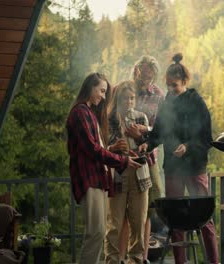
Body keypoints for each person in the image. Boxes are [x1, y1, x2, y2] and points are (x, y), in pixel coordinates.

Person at [139, 53, 219, 264]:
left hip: (195, 167)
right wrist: (149, 143)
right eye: (168, 86)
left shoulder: (197, 102)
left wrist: (189, 146)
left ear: (184, 82)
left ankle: (214, 262)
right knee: (174, 220)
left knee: (204, 218)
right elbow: (158, 133)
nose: (171, 90)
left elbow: (206, 138)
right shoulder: (167, 103)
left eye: (174, 85)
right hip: (173, 169)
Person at [66, 73, 141, 264]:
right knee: (95, 233)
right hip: (88, 179)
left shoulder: (89, 112)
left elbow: (96, 148)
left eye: (105, 92)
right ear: (90, 88)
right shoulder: (80, 113)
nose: (102, 95)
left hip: (97, 179)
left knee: (98, 232)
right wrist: (121, 161)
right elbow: (92, 149)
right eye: (101, 90)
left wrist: (117, 154)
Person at [119, 55, 166, 263]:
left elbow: (162, 128)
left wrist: (144, 131)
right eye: (143, 73)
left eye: (150, 75)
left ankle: (142, 256)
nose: (145, 78)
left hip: (149, 156)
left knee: (150, 205)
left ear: (154, 75)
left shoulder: (158, 95)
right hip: (123, 154)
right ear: (136, 69)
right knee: (123, 207)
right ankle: (121, 257)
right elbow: (113, 117)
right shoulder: (126, 90)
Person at [105, 81, 152, 264]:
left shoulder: (142, 118)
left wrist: (140, 139)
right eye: (125, 98)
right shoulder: (109, 119)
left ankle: (137, 260)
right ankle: (112, 260)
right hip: (117, 173)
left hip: (140, 173)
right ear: (118, 99)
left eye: (132, 98)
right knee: (114, 224)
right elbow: (101, 148)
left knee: (138, 222)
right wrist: (113, 147)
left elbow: (148, 147)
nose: (129, 102)